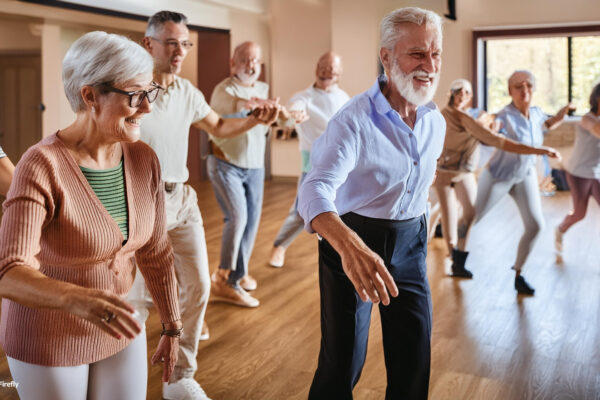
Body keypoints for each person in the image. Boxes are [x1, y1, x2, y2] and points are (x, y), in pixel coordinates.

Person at [0, 31, 181, 400]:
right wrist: (76, 299)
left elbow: (156, 249)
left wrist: (172, 325)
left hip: (115, 320)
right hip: (49, 330)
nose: (147, 107)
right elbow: (9, 271)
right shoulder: (42, 163)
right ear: (90, 96)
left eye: (150, 92)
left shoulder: (143, 157)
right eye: (135, 95)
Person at [298, 7, 444, 399]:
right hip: (351, 237)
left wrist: (420, 230)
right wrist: (348, 246)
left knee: (413, 353)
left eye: (435, 54)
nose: (429, 65)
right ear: (387, 56)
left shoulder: (435, 121)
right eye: (417, 54)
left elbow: (422, 183)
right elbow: (313, 189)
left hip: (410, 242)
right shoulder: (353, 120)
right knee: (343, 360)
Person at [134, 11, 279, 400]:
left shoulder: (188, 92)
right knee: (136, 297)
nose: (179, 50)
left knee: (198, 283)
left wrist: (254, 120)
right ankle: (123, 374)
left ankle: (180, 376)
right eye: (171, 42)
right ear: (149, 44)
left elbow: (218, 127)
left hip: (182, 198)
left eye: (185, 43)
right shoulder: (130, 90)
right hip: (141, 203)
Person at [435, 78, 559, 278]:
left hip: (465, 172)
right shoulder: (449, 116)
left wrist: (487, 128)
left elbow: (484, 134)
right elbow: (497, 141)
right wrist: (540, 150)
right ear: (451, 93)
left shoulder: (468, 117)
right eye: (459, 91)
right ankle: (454, 260)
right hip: (445, 172)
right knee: (448, 215)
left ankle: (457, 258)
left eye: (467, 93)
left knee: (470, 213)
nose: (463, 96)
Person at [465, 70, 572, 295]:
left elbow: (547, 124)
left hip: (524, 175)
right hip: (498, 176)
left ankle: (518, 273)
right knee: (473, 218)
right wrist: (488, 124)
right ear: (509, 91)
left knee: (535, 225)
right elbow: (495, 128)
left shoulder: (536, 113)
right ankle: (456, 255)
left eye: (529, 85)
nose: (525, 90)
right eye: (518, 86)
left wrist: (562, 114)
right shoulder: (504, 116)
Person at [208, 41, 282, 307]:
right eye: (245, 60)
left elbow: (270, 120)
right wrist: (257, 106)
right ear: (233, 63)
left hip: (255, 166)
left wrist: (288, 116)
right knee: (237, 217)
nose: (251, 66)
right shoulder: (223, 89)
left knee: (251, 223)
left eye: (256, 61)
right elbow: (236, 104)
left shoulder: (263, 88)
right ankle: (224, 277)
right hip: (225, 162)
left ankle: (239, 273)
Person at [269, 52, 350, 268]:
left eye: (332, 69)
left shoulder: (344, 98)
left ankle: (337, 253)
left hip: (340, 164)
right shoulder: (303, 97)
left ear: (339, 74)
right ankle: (280, 246)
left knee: (339, 211)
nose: (327, 72)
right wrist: (290, 116)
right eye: (324, 67)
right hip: (312, 164)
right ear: (316, 67)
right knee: (300, 211)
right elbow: (293, 111)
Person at [555, 82, 600, 257]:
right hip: (578, 172)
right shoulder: (587, 119)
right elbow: (597, 131)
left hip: (596, 172)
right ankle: (560, 229)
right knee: (580, 213)